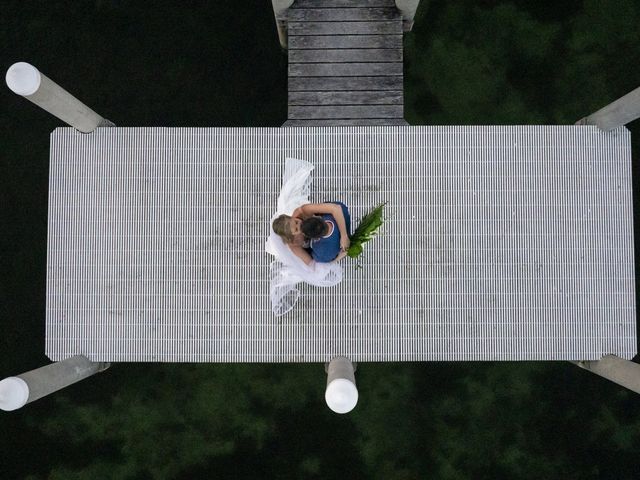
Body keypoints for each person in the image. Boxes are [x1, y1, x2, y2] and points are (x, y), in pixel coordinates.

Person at [272, 202, 351, 264]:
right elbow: (312, 264)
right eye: (296, 229)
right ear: (293, 235)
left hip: (319, 225)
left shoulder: (303, 211)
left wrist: (344, 236)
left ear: (292, 217)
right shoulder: (294, 244)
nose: (300, 225)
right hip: (316, 245)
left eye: (296, 222)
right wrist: (337, 258)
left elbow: (335, 208)